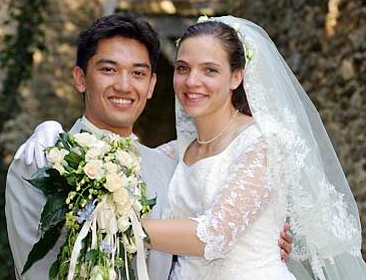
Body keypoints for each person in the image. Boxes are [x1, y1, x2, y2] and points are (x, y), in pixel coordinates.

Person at [5, 13, 292, 280]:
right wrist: (50, 130)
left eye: (138, 73)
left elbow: (204, 237)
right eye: (108, 69)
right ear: (81, 78)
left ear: (152, 85)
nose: (124, 85)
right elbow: (39, 266)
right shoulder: (41, 159)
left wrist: (260, 238)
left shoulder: (166, 166)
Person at [139, 16, 366, 279]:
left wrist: (123, 229)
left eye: (210, 70)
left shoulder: (262, 143)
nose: (192, 81)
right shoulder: (176, 152)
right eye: (182, 68)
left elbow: (214, 234)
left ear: (236, 77)